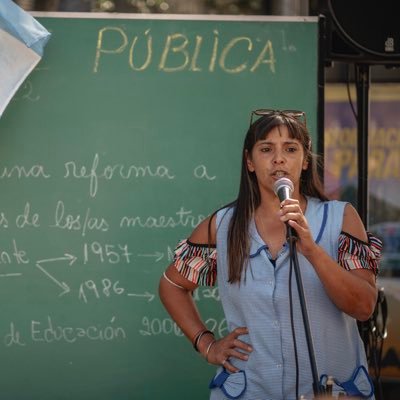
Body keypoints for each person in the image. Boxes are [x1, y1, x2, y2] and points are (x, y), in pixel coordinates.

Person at [159, 109, 382, 400]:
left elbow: (364, 307)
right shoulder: (223, 226)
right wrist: (207, 344)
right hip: (249, 391)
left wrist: (311, 249)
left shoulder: (340, 218)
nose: (279, 159)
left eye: (290, 149)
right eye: (266, 149)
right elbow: (173, 285)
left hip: (331, 392)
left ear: (304, 161)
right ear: (250, 161)